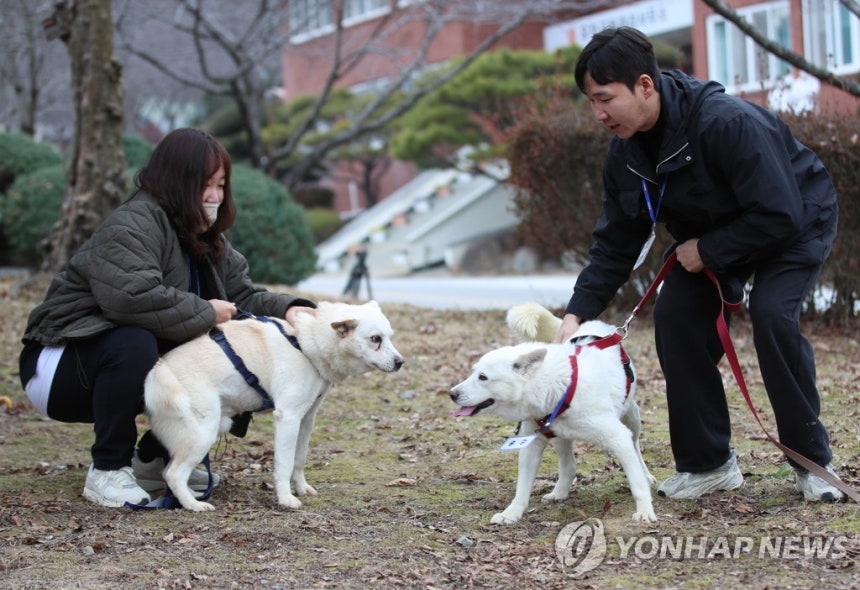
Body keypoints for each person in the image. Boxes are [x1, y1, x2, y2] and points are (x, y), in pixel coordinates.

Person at [557, 27, 843, 501]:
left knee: (773, 315)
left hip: (794, 218)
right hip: (713, 235)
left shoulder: (725, 122)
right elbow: (616, 242)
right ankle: (708, 464)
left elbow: (779, 213)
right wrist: (576, 314)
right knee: (676, 317)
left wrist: (708, 250)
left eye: (605, 98)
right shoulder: (626, 154)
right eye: (591, 101)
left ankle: (812, 462)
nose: (598, 113)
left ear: (644, 85)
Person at [18, 128, 317, 508]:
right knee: (135, 341)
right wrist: (206, 312)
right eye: (205, 185)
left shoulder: (205, 236)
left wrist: (288, 308)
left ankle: (155, 460)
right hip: (59, 366)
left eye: (221, 185)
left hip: (111, 362)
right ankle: (107, 469)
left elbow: (241, 296)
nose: (215, 196)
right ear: (176, 180)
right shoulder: (132, 224)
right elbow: (130, 300)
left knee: (223, 355)